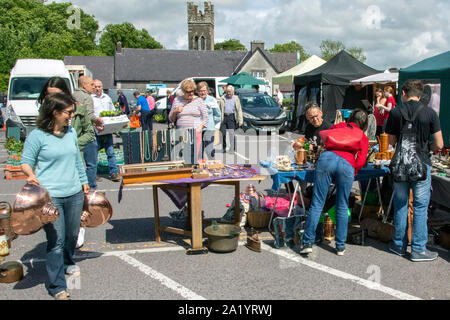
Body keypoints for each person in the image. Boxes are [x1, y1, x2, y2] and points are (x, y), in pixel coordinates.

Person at [20, 93, 89, 299]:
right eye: (68, 112)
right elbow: (26, 161)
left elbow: (77, 160)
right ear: (55, 112)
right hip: (51, 197)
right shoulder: (37, 135)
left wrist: (84, 182)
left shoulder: (71, 133)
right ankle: (57, 286)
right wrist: (31, 175)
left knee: (72, 235)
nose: (71, 115)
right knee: (56, 240)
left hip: (74, 192)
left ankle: (68, 262)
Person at [385, 80, 443, 262]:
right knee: (419, 206)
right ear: (420, 94)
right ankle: (418, 249)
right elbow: (440, 144)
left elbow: (391, 142)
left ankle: (399, 245)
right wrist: (427, 145)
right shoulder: (430, 113)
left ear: (403, 93)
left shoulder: (394, 112)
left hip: (400, 164)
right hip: (421, 163)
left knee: (401, 204)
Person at [300, 109, 369, 256]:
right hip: (347, 164)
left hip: (327, 160)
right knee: (342, 204)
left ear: (350, 118)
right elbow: (361, 161)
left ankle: (307, 242)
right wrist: (353, 172)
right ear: (364, 124)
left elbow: (324, 136)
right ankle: (340, 246)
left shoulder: (339, 126)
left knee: (317, 202)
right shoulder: (362, 136)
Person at [39, 77, 96, 249]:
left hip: (73, 159)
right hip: (53, 166)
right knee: (54, 213)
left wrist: (72, 143)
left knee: (75, 204)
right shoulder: (45, 112)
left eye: (56, 95)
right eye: (48, 95)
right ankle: (58, 246)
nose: (51, 99)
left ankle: (77, 228)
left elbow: (89, 133)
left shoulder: (78, 109)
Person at [73, 76, 102, 188]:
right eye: (91, 85)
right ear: (84, 85)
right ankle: (91, 187)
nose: (94, 87)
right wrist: (98, 120)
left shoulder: (73, 95)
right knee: (91, 163)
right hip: (86, 133)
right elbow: (89, 115)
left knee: (78, 162)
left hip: (76, 132)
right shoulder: (87, 97)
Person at [169, 79, 208, 158]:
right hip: (181, 134)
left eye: (192, 91)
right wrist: (175, 112)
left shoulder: (199, 100)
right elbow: (171, 119)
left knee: (195, 158)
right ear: (183, 91)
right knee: (182, 158)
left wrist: (199, 128)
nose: (191, 93)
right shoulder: (177, 100)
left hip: (195, 133)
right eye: (188, 92)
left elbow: (206, 118)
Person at [92, 80, 120, 182]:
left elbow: (113, 111)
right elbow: (89, 115)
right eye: (96, 86)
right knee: (94, 152)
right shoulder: (91, 99)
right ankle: (93, 174)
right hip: (96, 130)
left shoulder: (107, 98)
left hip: (107, 130)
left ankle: (113, 173)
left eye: (99, 86)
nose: (98, 88)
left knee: (110, 152)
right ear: (93, 87)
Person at [197, 81, 221, 159]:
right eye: (200, 91)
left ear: (207, 91)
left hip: (209, 128)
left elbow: (217, 115)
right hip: (198, 129)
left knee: (209, 150)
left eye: (204, 90)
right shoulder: (195, 100)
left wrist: (213, 124)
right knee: (199, 151)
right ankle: (200, 169)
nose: (202, 92)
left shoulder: (212, 100)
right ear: (197, 92)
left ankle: (212, 167)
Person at [218, 85, 243, 153]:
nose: (228, 93)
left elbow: (239, 110)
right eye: (227, 92)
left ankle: (232, 148)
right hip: (223, 117)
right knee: (223, 133)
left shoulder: (236, 98)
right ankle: (224, 147)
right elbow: (218, 109)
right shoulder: (222, 98)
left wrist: (241, 120)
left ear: (233, 92)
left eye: (230, 92)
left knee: (231, 134)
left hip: (231, 117)